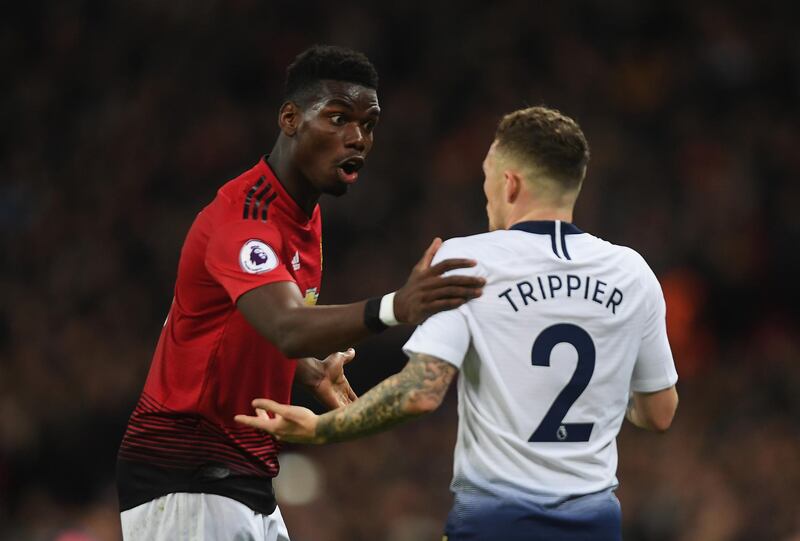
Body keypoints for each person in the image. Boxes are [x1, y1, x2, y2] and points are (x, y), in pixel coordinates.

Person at [237, 106, 680, 540]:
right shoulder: (632, 272)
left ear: (510, 183)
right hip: (595, 525)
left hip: (496, 524)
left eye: (487, 174)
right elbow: (659, 412)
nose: (485, 187)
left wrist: (319, 427)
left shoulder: (469, 261)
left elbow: (420, 394)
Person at [116, 45, 485, 541]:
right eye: (337, 118)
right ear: (290, 119)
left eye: (369, 125)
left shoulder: (302, 215)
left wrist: (304, 368)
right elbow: (288, 326)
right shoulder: (244, 218)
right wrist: (398, 306)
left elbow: (240, 323)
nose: (356, 137)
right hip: (187, 474)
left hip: (242, 475)